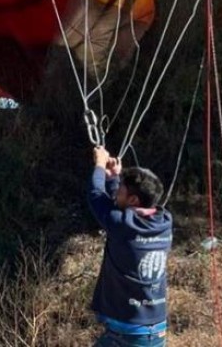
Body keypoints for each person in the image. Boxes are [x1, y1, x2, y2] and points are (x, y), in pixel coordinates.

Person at [89, 146, 173, 347]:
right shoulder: (164, 221)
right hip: (155, 329)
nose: (116, 193)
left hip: (127, 333)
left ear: (134, 200)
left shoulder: (121, 225)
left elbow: (95, 194)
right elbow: (122, 209)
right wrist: (114, 179)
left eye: (120, 191)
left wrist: (100, 165)